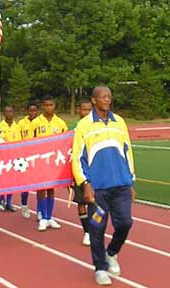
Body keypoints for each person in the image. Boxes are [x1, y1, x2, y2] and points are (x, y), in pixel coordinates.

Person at [72, 86, 136, 286]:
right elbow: (77, 158)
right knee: (97, 228)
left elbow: (127, 152)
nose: (108, 100)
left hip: (121, 187)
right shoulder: (84, 125)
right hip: (98, 189)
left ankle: (111, 253)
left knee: (125, 223)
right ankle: (100, 268)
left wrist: (131, 179)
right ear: (94, 100)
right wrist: (85, 184)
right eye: (103, 97)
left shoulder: (120, 122)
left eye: (109, 97)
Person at [34, 95, 68, 231]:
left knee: (51, 189)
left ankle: (50, 217)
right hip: (41, 161)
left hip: (54, 162)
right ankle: (43, 217)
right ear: (43, 106)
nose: (49, 107)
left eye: (51, 105)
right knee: (42, 189)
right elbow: (30, 141)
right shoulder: (36, 123)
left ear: (54, 106)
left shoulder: (60, 123)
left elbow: (66, 141)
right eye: (46, 105)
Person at [69, 99, 93, 246]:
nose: (86, 113)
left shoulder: (95, 126)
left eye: (89, 110)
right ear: (79, 110)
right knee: (81, 201)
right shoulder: (74, 128)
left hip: (95, 169)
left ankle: (94, 229)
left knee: (94, 202)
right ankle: (87, 232)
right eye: (84, 109)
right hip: (79, 170)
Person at [17, 101, 38, 218]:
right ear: (27, 111)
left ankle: (41, 212)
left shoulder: (40, 122)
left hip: (37, 156)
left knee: (41, 185)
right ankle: (24, 205)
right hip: (25, 156)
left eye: (35, 110)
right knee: (25, 184)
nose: (33, 113)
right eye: (31, 110)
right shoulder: (21, 123)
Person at [0, 106, 21, 212]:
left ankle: (9, 202)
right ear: (3, 113)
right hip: (3, 157)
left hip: (13, 157)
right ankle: (1, 200)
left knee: (11, 181)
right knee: (3, 180)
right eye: (6, 111)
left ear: (13, 113)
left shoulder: (17, 126)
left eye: (10, 111)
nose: (8, 113)